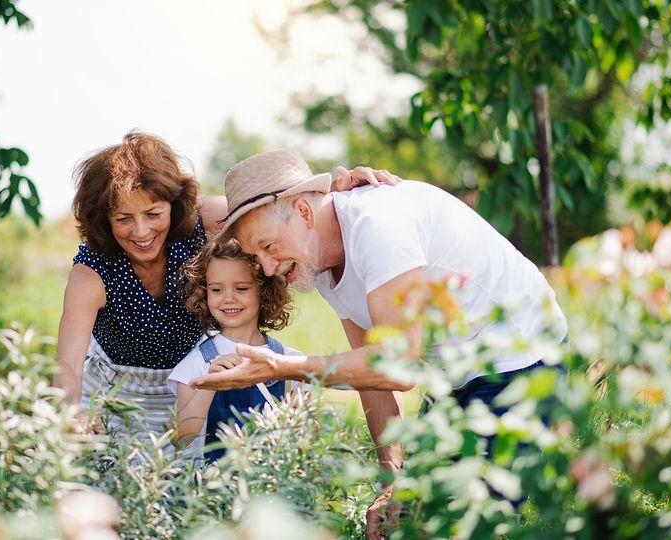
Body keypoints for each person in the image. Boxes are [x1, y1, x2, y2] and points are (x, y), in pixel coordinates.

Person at [189, 149, 568, 538]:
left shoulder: (377, 227)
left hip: (520, 358)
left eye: (269, 247)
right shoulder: (319, 262)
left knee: (469, 523)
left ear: (304, 212)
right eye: (257, 256)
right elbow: (372, 374)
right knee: (412, 519)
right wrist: (391, 482)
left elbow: (397, 365)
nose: (268, 269)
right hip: (457, 372)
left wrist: (283, 368)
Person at [53, 131, 399, 435]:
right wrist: (72, 411)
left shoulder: (205, 220)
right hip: (117, 390)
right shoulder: (92, 272)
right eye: (124, 219)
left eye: (154, 214)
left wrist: (335, 197)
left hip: (189, 382)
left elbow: (274, 211)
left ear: (173, 205)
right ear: (105, 219)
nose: (141, 231)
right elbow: (67, 362)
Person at [166, 240, 304, 461]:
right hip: (217, 489)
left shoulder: (287, 360)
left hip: (274, 488)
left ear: (264, 290)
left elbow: (306, 436)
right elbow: (179, 437)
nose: (228, 298)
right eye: (216, 289)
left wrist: (301, 420)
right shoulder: (198, 363)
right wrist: (209, 384)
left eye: (241, 288)